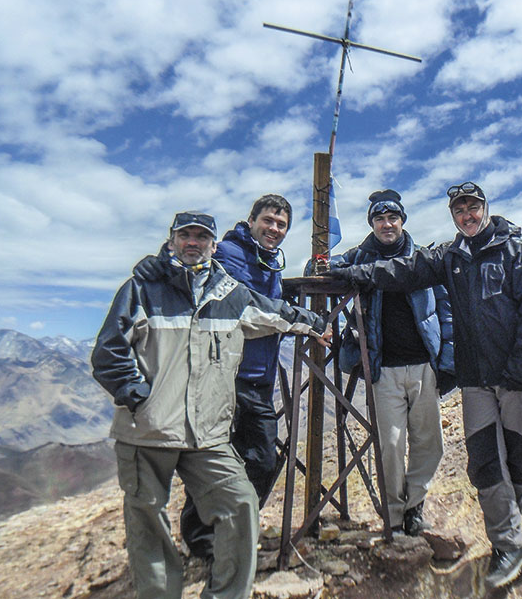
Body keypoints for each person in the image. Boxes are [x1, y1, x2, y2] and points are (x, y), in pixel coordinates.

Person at [93, 211, 330, 599]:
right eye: (185, 235)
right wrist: (139, 397)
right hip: (147, 431)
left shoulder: (229, 294)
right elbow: (108, 353)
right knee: (147, 523)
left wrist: (316, 324)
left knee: (239, 504)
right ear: (171, 241)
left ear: (213, 245)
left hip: (207, 436)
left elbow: (275, 313)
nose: (192, 242)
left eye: (201, 237)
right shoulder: (142, 289)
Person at [325, 183, 522, 589]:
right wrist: (349, 271)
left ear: (485, 208)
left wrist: (520, 371)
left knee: (519, 457)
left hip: (515, 379)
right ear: (453, 216)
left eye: (473, 207)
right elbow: (401, 271)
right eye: (459, 210)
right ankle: (508, 543)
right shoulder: (450, 257)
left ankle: (510, 540)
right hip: (475, 381)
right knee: (483, 461)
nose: (467, 215)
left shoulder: (518, 254)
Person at [135, 195, 294, 560]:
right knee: (229, 459)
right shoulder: (230, 254)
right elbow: (192, 262)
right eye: (268, 220)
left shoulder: (268, 261)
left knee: (254, 458)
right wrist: (159, 261)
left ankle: (225, 530)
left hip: (256, 378)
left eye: (281, 224)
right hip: (224, 377)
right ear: (251, 220)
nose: (274, 229)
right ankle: (205, 540)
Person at [310, 189, 455, 536]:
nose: (387, 224)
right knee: (390, 446)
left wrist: (448, 359)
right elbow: (316, 268)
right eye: (379, 219)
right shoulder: (358, 256)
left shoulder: (423, 259)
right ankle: (393, 519)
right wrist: (322, 263)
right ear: (372, 223)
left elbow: (446, 312)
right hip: (383, 370)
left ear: (402, 221)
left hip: (424, 367)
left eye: (393, 218)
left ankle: (413, 508)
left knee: (429, 444)